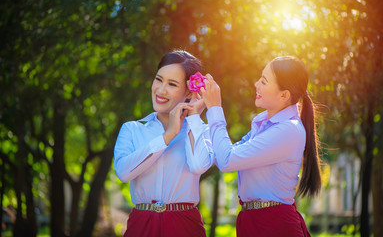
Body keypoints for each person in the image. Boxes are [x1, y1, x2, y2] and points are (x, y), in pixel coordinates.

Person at [200, 56, 321, 237]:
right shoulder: (262, 123)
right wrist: (197, 114)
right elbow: (222, 155)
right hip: (253, 221)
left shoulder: (288, 130)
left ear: (284, 95)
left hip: (274, 225)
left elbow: (227, 160)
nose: (256, 84)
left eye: (264, 81)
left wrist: (215, 108)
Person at [114, 50, 213, 237]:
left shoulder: (202, 131)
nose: (160, 90)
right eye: (159, 79)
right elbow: (123, 172)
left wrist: (193, 117)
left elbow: (199, 165)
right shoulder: (132, 129)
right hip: (142, 225)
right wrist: (168, 136)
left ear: (189, 92)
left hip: (184, 225)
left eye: (172, 84)